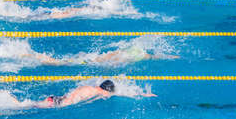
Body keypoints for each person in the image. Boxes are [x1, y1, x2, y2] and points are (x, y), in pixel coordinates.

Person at [34, 80, 157, 108]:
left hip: (56, 99)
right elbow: (73, 96)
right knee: (28, 106)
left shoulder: (96, 90)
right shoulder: (91, 91)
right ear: (106, 91)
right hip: (57, 102)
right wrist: (63, 105)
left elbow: (123, 93)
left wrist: (142, 94)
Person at [17, 46, 178, 66]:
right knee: (60, 63)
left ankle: (31, 55)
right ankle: (31, 55)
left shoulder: (134, 50)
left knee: (61, 62)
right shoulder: (129, 57)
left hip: (93, 58)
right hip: (89, 61)